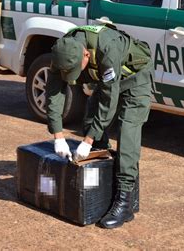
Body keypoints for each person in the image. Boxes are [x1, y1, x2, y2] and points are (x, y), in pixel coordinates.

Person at [46, 18, 154, 229]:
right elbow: (54, 92)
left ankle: (125, 201)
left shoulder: (107, 47)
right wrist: (57, 134)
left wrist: (87, 141)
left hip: (135, 79)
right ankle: (103, 182)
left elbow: (108, 100)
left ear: (86, 54)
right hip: (108, 82)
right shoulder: (63, 50)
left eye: (77, 69)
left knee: (128, 132)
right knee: (89, 119)